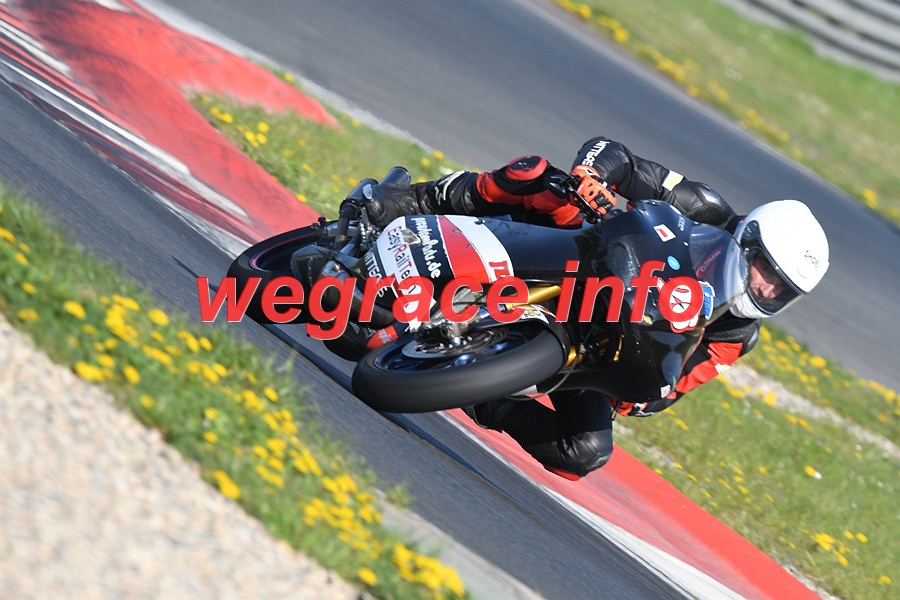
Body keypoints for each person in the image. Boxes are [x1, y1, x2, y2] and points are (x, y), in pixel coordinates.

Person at [355, 136, 830, 480]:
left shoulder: (735, 336)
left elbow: (670, 389)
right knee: (542, 179)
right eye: (765, 269)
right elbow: (617, 156)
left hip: (602, 343)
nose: (765, 288)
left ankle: (469, 388)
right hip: (593, 257)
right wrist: (592, 175)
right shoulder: (705, 208)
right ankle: (407, 202)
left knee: (584, 452)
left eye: (781, 290)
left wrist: (642, 393)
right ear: (748, 236)